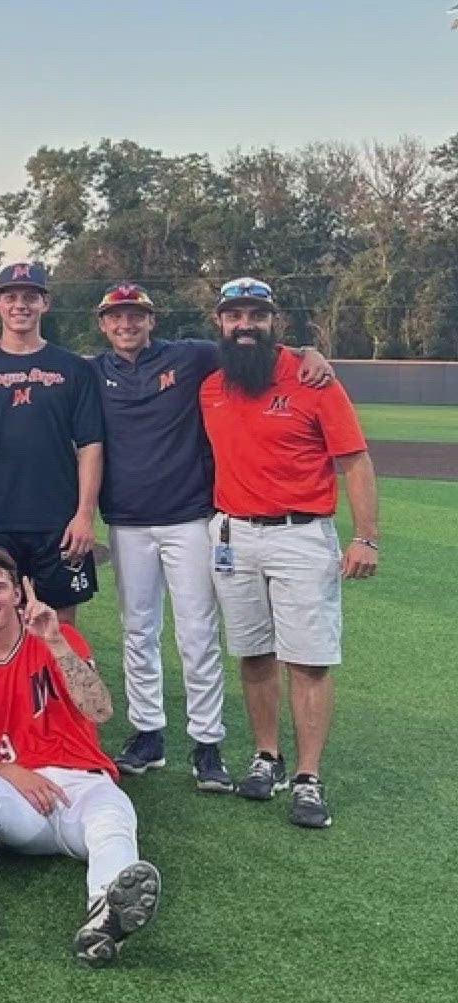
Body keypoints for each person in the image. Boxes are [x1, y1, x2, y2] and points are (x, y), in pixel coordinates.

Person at [89, 283, 333, 786]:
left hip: (190, 518)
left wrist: (312, 351)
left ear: (151, 320)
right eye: (117, 318)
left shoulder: (192, 356)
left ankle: (207, 741)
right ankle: (148, 731)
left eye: (136, 315)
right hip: (127, 520)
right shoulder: (92, 370)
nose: (126, 325)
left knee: (198, 631)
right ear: (103, 325)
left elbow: (262, 346)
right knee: (138, 631)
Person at [0, 545, 159, 968]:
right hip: (16, 800)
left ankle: (107, 915)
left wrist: (56, 641)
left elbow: (101, 710)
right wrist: (10, 771)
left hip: (82, 785)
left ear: (18, 594)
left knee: (114, 810)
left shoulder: (58, 639)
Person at [199, 277, 378, 829]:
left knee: (309, 658)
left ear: (275, 321)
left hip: (302, 534)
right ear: (220, 324)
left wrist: (365, 536)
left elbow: (354, 460)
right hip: (232, 534)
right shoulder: (210, 383)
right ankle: (266, 757)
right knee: (253, 653)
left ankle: (307, 777)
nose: (244, 324)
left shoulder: (313, 380)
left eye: (256, 314)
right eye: (235, 316)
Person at [0, 263, 103, 623]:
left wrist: (83, 515)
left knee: (61, 626)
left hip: (57, 520)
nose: (20, 305)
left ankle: (63, 682)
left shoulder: (73, 368)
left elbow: (90, 445)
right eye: (10, 296)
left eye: (30, 297)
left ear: (45, 303)